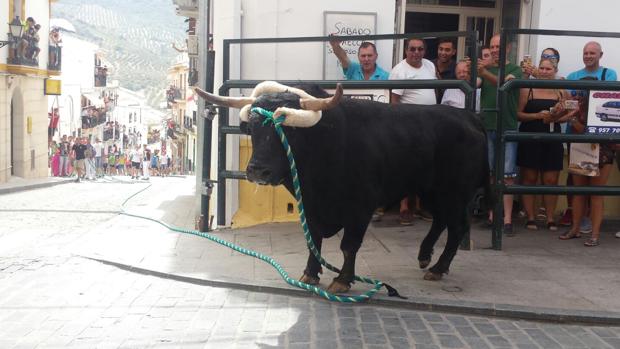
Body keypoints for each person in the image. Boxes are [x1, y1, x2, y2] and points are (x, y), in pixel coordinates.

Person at [561, 41, 617, 230]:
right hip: (577, 136)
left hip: (600, 140)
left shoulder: (609, 74)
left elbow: (606, 100)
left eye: (592, 53)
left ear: (601, 55)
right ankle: (577, 225)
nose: (588, 55)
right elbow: (566, 104)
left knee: (595, 189)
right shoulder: (572, 76)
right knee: (577, 186)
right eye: (585, 52)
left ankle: (593, 231)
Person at [558, 81, 616, 247]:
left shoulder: (603, 105)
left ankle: (594, 234)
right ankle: (575, 229)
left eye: (584, 91)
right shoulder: (576, 103)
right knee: (579, 193)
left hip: (602, 150)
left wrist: (573, 120)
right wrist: (562, 111)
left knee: (596, 194)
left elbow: (593, 130)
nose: (581, 94)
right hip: (582, 148)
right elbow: (553, 118)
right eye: (579, 91)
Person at [515, 58, 570, 231]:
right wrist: (537, 116)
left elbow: (570, 112)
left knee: (551, 179)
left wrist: (555, 117)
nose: (545, 71)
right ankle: (530, 217)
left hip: (553, 136)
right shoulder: (527, 88)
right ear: (536, 69)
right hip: (530, 136)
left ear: (555, 71)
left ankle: (550, 218)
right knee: (529, 177)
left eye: (548, 69)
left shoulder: (561, 90)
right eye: (542, 68)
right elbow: (517, 114)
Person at [478, 33, 523, 236]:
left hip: (507, 126)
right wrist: (471, 69)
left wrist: (483, 71)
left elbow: (504, 84)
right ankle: (491, 215)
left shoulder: (515, 69)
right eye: (492, 47)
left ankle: (506, 219)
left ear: (508, 48)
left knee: (508, 175)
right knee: (490, 173)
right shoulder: (484, 68)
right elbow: (473, 84)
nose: (495, 50)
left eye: (498, 46)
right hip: (487, 126)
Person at [390, 38, 437, 225]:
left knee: (425, 165)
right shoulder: (399, 71)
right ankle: (404, 207)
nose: (416, 52)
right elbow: (394, 102)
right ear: (406, 51)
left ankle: (419, 206)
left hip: (430, 124)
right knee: (405, 165)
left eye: (419, 49)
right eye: (412, 49)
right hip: (409, 125)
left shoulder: (430, 66)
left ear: (424, 51)